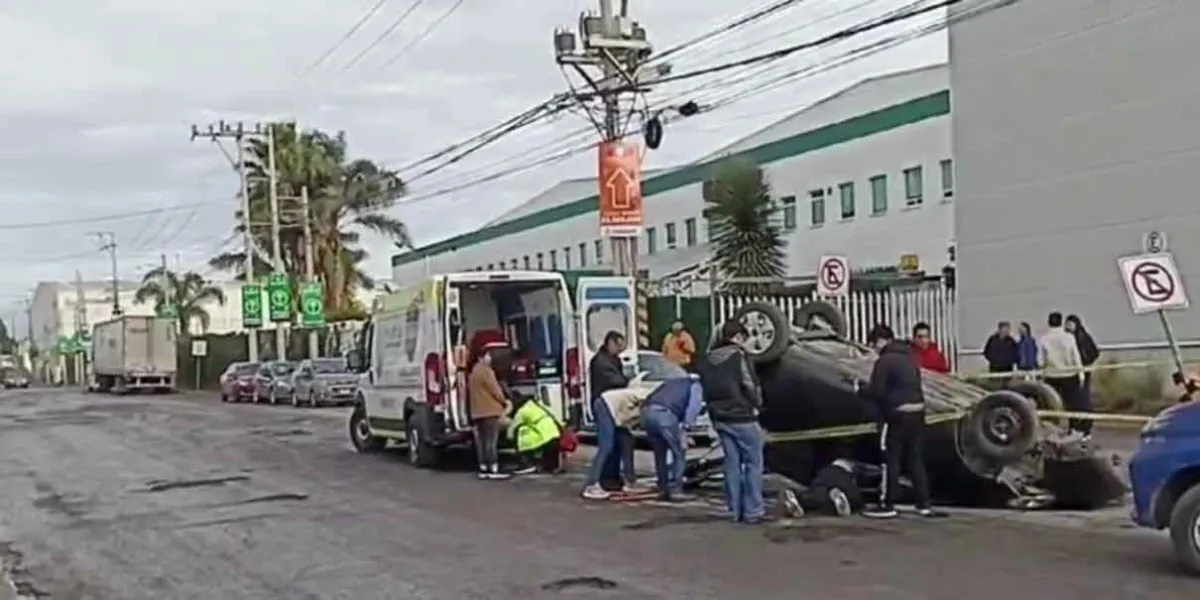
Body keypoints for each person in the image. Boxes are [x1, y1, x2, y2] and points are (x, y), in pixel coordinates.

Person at [861, 324, 945, 519]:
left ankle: (888, 503)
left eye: (874, 344)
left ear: (881, 341)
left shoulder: (884, 361)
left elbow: (878, 392)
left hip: (897, 414)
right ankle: (923, 504)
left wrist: (861, 390)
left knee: (891, 459)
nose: (874, 349)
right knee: (915, 459)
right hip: (918, 412)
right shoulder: (910, 357)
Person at [698, 320, 768, 524]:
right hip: (742, 415)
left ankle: (734, 510)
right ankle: (753, 511)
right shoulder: (739, 356)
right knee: (754, 463)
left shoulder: (708, 359)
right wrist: (758, 403)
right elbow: (748, 383)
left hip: (719, 417)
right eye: (744, 339)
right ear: (737, 338)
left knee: (732, 463)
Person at [581, 331, 640, 499]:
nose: (621, 351)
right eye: (619, 346)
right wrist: (626, 381)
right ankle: (592, 483)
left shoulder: (614, 360)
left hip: (616, 406)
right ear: (610, 343)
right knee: (606, 445)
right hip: (605, 405)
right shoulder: (600, 362)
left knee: (624, 440)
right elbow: (614, 380)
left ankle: (619, 478)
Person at [641, 371, 705, 502]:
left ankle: (662, 487)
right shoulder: (696, 385)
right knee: (679, 452)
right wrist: (686, 429)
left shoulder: (672, 381)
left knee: (660, 453)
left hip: (647, 413)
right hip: (665, 413)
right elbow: (694, 407)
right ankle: (676, 490)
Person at [1039, 312, 1088, 437]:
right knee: (1072, 404)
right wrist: (1080, 373)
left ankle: (1052, 431)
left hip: (1052, 375)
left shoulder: (1044, 339)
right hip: (1069, 375)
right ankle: (1074, 429)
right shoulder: (1069, 338)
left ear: (1049, 322)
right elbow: (1076, 357)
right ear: (1061, 322)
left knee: (1051, 404)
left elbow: (1042, 361)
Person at [468, 345, 513, 480]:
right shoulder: (486, 371)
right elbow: (495, 390)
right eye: (488, 355)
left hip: (477, 412)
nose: (490, 358)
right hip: (490, 411)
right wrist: (505, 401)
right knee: (491, 441)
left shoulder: (473, 372)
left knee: (481, 442)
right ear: (482, 357)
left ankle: (483, 468)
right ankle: (493, 467)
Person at [507, 394, 565, 474]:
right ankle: (553, 468)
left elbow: (513, 426)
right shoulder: (538, 406)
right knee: (551, 452)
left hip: (542, 432)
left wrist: (510, 437)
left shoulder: (522, 411)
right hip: (553, 430)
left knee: (526, 443)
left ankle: (528, 464)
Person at [1065, 314, 1101, 418]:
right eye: (1067, 324)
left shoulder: (1083, 336)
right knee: (1073, 394)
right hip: (1072, 369)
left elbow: (1094, 352)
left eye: (1070, 324)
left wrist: (1086, 362)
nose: (1068, 327)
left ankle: (1085, 413)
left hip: (1084, 368)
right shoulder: (1066, 337)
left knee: (1083, 392)